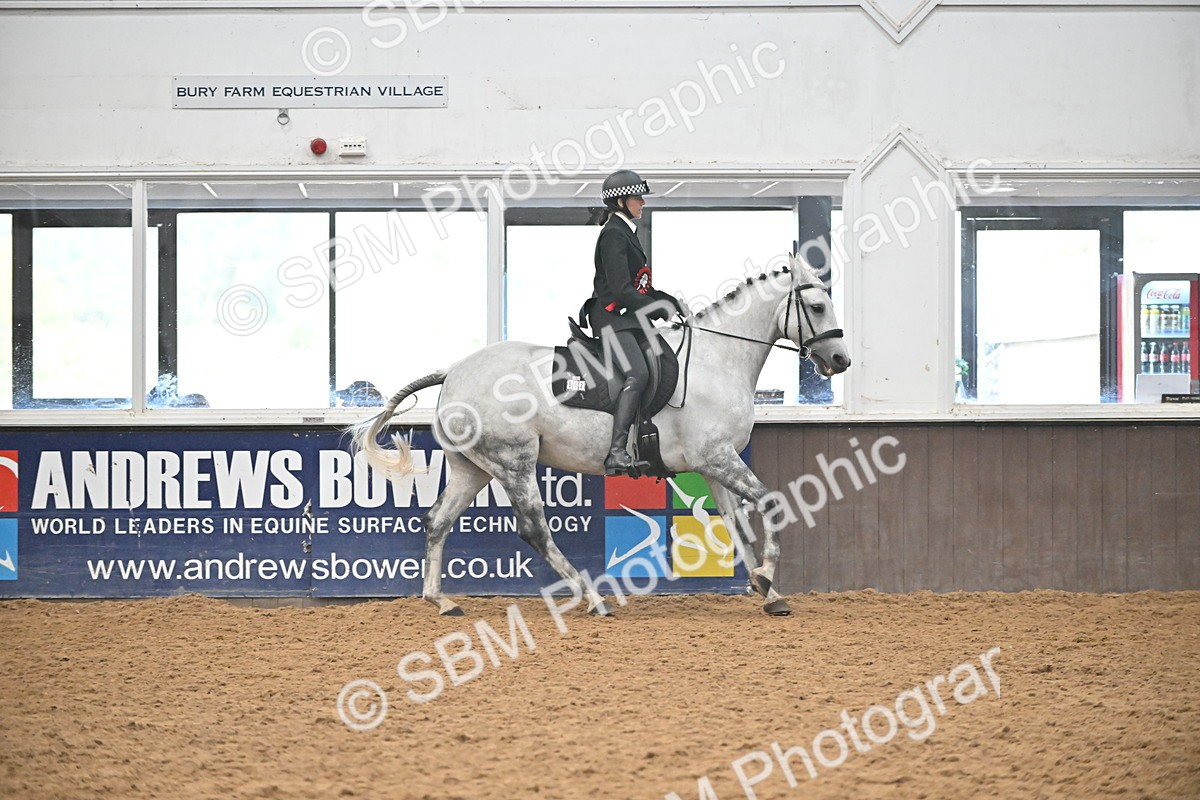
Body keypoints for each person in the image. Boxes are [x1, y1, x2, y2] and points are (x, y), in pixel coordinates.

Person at [580, 169, 684, 476]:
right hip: (611, 319)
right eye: (638, 198)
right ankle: (616, 451)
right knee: (637, 373)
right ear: (622, 201)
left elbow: (640, 287)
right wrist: (658, 309)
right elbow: (623, 291)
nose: (642, 203)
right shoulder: (613, 233)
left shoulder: (626, 230)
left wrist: (670, 302)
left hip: (626, 318)